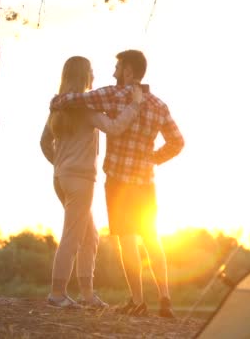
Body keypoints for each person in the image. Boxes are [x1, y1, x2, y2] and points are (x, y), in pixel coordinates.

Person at [50, 49, 184, 318]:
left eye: (117, 67)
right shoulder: (159, 105)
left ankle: (137, 301)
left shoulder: (112, 94)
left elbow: (77, 99)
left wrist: (57, 100)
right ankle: (165, 298)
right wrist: (153, 158)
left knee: (127, 241)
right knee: (151, 239)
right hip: (146, 182)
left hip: (119, 184)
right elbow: (178, 141)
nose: (113, 73)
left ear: (129, 72)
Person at [40, 55, 143, 308]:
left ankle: (87, 296)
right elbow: (115, 127)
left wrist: (61, 165)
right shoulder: (86, 109)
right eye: (92, 72)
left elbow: (44, 142)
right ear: (84, 76)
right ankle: (57, 294)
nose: (95, 76)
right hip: (80, 180)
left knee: (90, 236)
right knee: (72, 237)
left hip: (61, 177)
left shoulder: (58, 107)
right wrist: (135, 106)